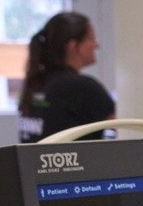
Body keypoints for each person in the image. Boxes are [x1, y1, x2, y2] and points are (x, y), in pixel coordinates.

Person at [16, 10, 115, 142]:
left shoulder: (37, 83)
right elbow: (122, 129)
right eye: (91, 39)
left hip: (34, 163)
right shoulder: (82, 87)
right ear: (73, 46)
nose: (96, 45)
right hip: (81, 162)